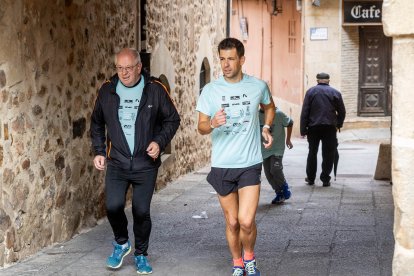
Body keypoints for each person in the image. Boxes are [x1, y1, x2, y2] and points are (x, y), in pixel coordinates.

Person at [90, 48, 180, 274]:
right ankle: (121, 243)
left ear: (139, 67)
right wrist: (100, 151)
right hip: (117, 162)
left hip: (145, 165)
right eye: (119, 68)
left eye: (128, 68)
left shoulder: (155, 90)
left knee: (141, 211)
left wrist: (159, 142)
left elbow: (172, 119)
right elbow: (97, 123)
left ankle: (141, 254)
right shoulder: (107, 90)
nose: (123, 73)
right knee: (112, 206)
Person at [196, 37, 275, 276]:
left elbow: (269, 107)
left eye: (231, 59)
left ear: (241, 59)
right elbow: (200, 127)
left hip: (249, 163)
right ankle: (237, 263)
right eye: (222, 59)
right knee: (232, 222)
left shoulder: (258, 86)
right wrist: (211, 123)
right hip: (222, 165)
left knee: (246, 221)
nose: (226, 64)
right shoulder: (210, 90)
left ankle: (250, 258)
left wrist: (266, 127)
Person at [300, 72, 346, 187]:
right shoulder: (335, 93)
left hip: (313, 127)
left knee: (312, 152)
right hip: (329, 127)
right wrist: (338, 124)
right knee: (328, 153)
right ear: (328, 81)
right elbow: (342, 111)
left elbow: (305, 111)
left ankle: (310, 178)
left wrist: (303, 129)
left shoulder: (310, 92)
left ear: (317, 80)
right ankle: (325, 179)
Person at [259, 106, 293, 204]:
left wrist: (288, 139)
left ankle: (284, 187)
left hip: (277, 148)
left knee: (275, 169)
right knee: (268, 174)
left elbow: (290, 123)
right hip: (264, 149)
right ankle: (279, 193)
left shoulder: (278, 114)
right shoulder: (257, 115)